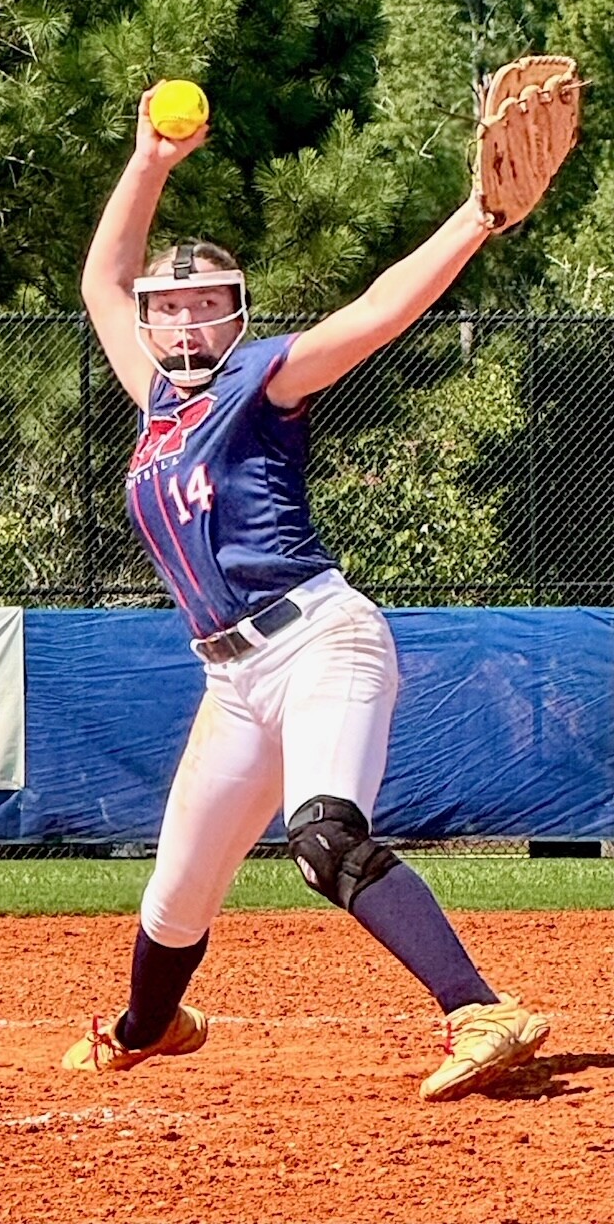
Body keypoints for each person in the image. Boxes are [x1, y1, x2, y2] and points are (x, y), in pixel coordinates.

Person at [60, 84, 551, 1101]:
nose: (184, 316)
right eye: (170, 304)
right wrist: (150, 159)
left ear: (234, 316)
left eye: (205, 302)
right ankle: (151, 1026)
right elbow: (103, 276)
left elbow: (376, 311)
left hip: (320, 640)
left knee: (324, 834)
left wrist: (477, 217)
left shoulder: (260, 379)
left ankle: (481, 1008)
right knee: (175, 897)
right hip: (232, 682)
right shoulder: (154, 402)